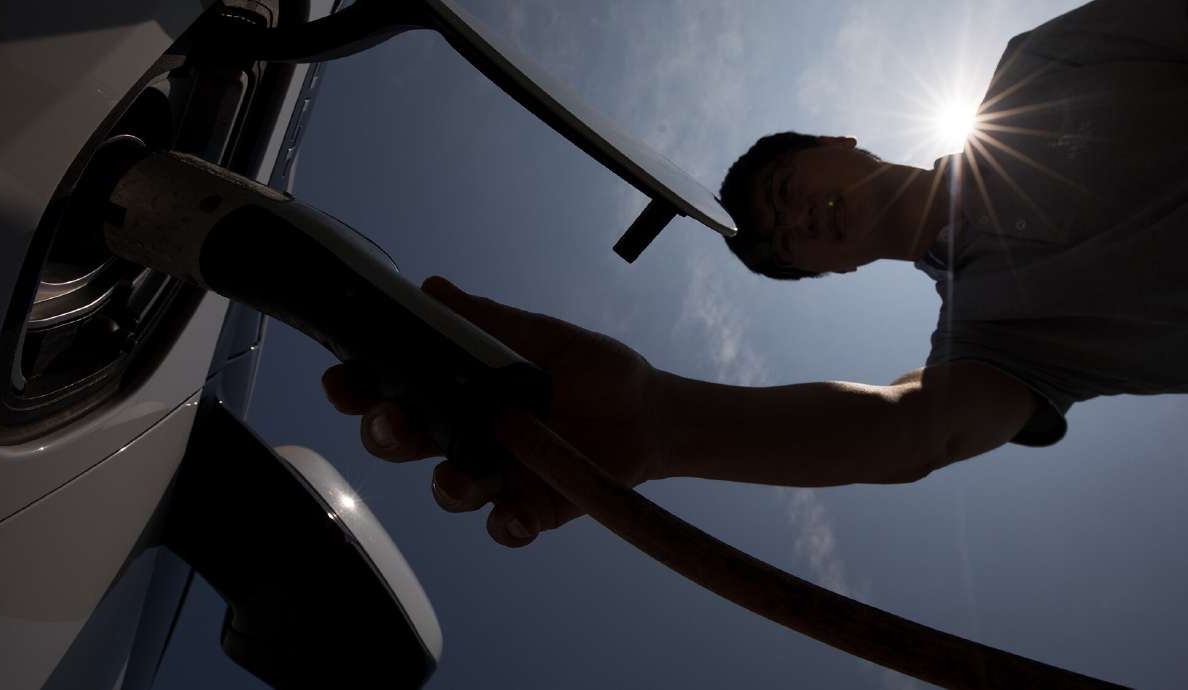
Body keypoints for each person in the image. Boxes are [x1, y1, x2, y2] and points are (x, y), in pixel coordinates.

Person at [323, 0, 1188, 548]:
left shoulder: (1039, 70)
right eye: (787, 243)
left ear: (840, 143)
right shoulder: (994, 337)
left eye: (786, 190)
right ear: (835, 271)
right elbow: (909, 430)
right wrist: (663, 425)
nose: (797, 220)